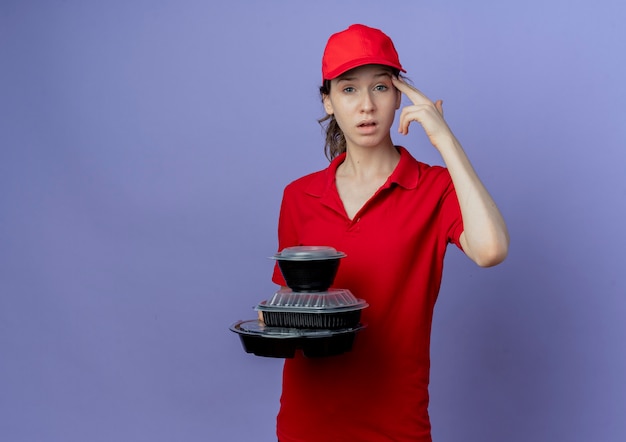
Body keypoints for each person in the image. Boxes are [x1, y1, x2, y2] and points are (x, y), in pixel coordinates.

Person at [270, 24, 509, 442]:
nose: (366, 106)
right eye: (348, 90)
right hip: (306, 423)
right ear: (327, 100)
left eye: (380, 88)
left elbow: (490, 250)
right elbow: (289, 304)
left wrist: (445, 140)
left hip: (396, 425)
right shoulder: (299, 196)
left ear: (399, 96)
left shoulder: (434, 188)